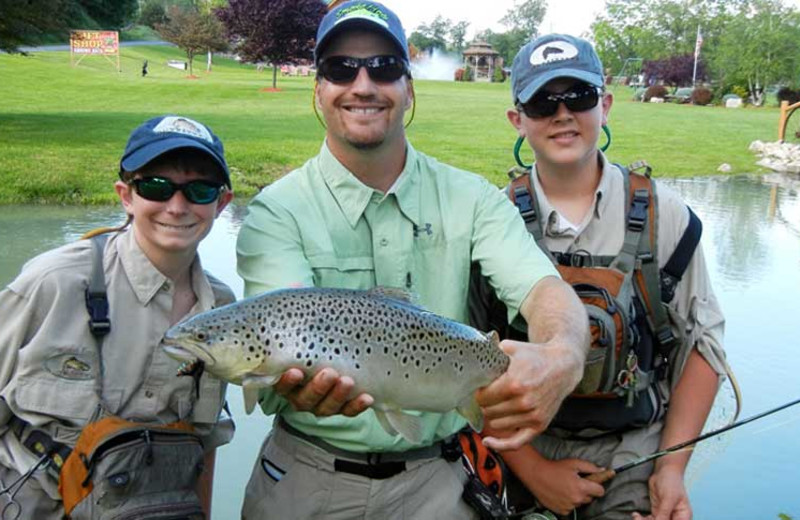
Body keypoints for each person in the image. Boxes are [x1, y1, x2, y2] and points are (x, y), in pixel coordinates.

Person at [234, 2, 590, 519]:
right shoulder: (276, 211)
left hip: (438, 482)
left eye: (384, 67)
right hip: (303, 482)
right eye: (340, 68)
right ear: (318, 89)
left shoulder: (472, 198)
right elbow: (277, 333)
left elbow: (543, 290)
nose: (362, 84)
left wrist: (565, 355)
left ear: (409, 87)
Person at [476, 34, 728, 520]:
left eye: (580, 97)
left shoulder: (665, 215)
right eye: (542, 101)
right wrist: (533, 472)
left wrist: (671, 469)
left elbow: (704, 346)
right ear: (518, 119)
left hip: (637, 455)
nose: (563, 113)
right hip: (518, 451)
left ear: (606, 105)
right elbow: (462, 361)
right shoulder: (490, 219)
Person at [0, 115, 235, 519]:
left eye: (200, 190)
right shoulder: (52, 282)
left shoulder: (224, 309)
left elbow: (203, 449)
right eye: (156, 187)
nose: (177, 207)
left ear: (222, 202)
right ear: (126, 195)